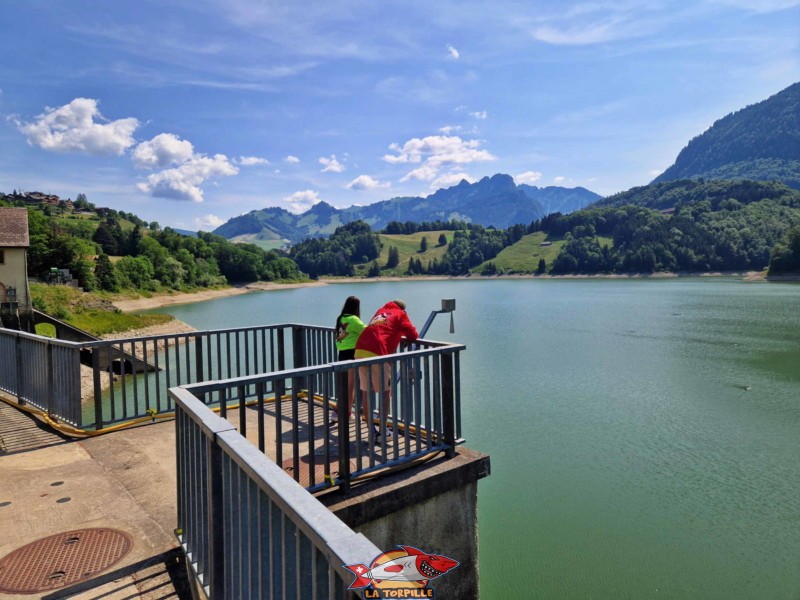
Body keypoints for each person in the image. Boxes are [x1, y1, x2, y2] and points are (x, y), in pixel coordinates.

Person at [354, 299, 418, 441]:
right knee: (385, 392)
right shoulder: (400, 314)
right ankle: (383, 432)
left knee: (366, 391)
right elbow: (413, 334)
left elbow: (382, 330)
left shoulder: (380, 312)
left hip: (360, 350)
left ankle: (371, 430)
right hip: (378, 352)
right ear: (403, 308)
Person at [332, 296, 365, 425]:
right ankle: (344, 413)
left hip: (342, 353)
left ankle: (338, 411)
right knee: (350, 386)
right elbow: (368, 331)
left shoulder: (341, 318)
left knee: (345, 384)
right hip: (352, 353)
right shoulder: (354, 319)